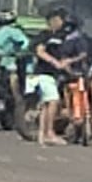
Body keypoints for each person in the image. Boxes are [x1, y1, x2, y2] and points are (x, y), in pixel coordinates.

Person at [31, 9, 69, 146]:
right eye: (59, 20)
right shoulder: (45, 35)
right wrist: (54, 62)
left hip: (51, 75)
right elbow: (40, 52)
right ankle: (50, 132)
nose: (61, 23)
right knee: (53, 101)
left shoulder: (59, 36)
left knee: (46, 105)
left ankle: (42, 134)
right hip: (44, 73)